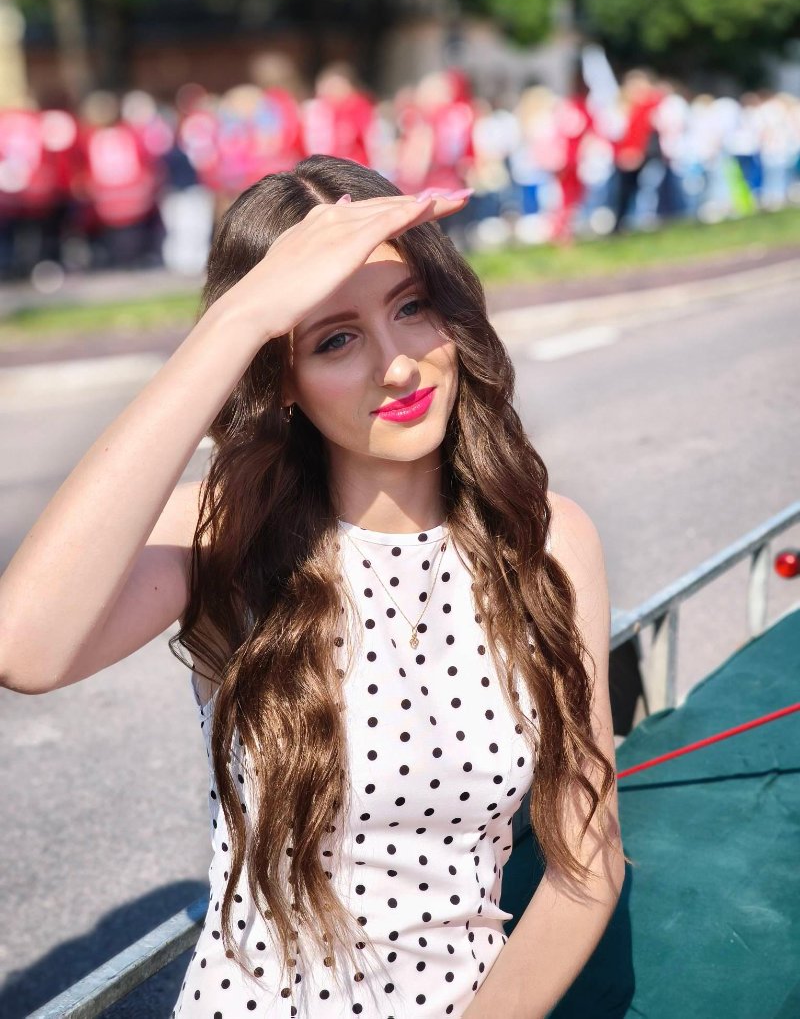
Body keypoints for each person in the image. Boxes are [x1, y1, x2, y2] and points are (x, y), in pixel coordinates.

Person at [0, 154, 626, 1018]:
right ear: (281, 375)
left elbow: (588, 859)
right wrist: (240, 317)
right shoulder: (227, 531)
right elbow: (24, 648)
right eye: (335, 339)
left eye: (412, 307)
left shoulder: (548, 540)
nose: (397, 365)